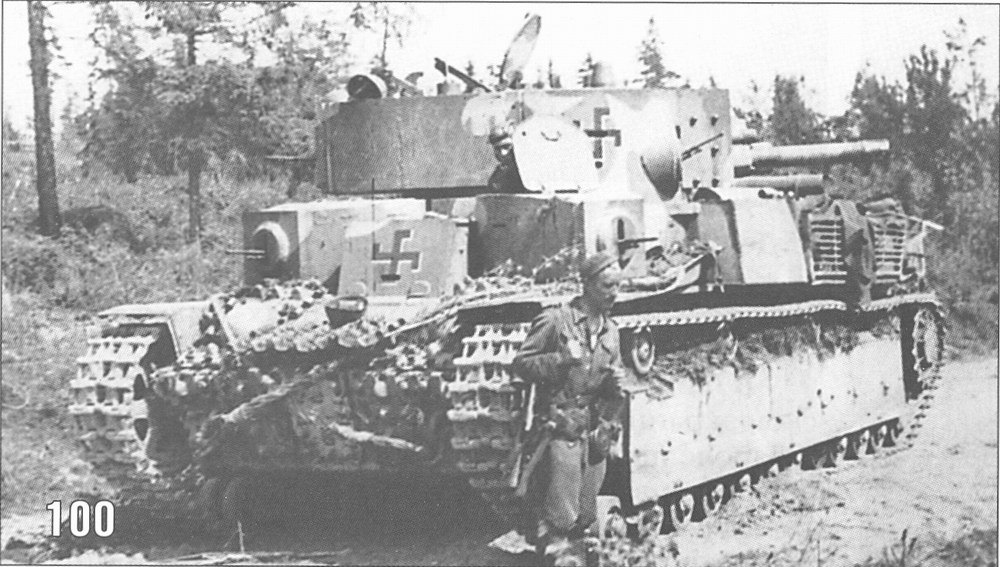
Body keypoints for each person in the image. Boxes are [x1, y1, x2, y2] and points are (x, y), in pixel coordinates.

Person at [512, 252, 626, 560]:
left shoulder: (611, 331)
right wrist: (561, 360)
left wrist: (614, 384)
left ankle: (574, 550)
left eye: (617, 286)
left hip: (592, 429)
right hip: (560, 425)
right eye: (607, 286)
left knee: (586, 509)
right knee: (561, 513)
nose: (614, 293)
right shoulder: (555, 320)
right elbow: (521, 364)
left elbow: (610, 381)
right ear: (586, 284)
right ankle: (557, 550)